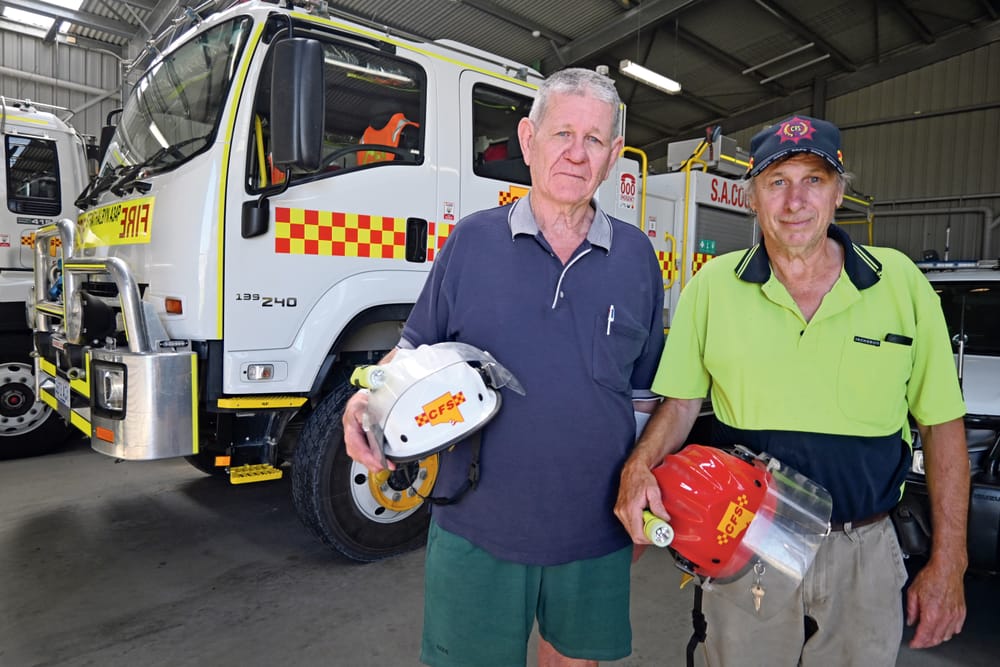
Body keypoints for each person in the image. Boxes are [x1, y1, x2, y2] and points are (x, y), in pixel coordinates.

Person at [615, 115, 969, 666]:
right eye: (777, 182)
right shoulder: (713, 287)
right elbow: (681, 403)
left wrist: (951, 562)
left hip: (864, 551)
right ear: (751, 197)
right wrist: (640, 465)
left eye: (814, 180)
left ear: (839, 193)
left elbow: (942, 425)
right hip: (745, 541)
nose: (795, 200)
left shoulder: (899, 282)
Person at [343, 68, 665, 667]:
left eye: (594, 140)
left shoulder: (639, 261)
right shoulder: (471, 243)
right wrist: (366, 396)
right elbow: (411, 350)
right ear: (527, 139)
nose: (576, 153)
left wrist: (640, 489)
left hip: (593, 535)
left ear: (615, 155)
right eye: (562, 133)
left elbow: (644, 398)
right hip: (477, 528)